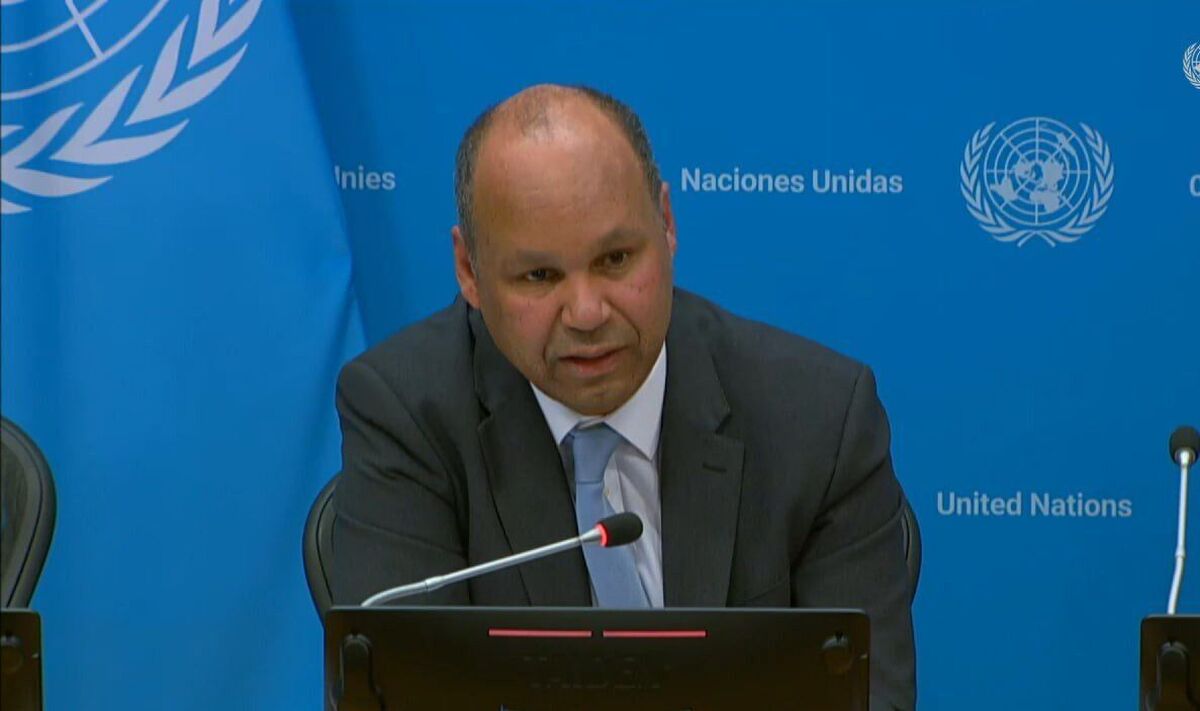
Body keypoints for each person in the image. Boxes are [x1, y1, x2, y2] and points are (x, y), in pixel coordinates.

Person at [330, 84, 916, 709]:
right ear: (469, 272)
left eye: (614, 259)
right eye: (539, 276)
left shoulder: (818, 420)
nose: (586, 313)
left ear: (667, 225)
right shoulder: (407, 415)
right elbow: (402, 693)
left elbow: (864, 698)